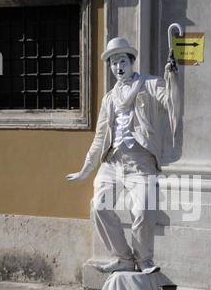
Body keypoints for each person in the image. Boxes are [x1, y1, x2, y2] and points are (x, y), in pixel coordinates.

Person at [66, 37, 180, 274]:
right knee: (98, 206)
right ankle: (123, 257)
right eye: (113, 63)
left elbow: (171, 103)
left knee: (145, 211)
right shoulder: (109, 98)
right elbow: (100, 136)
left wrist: (173, 77)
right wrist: (86, 169)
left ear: (131, 62)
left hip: (141, 163)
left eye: (122, 61)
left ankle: (144, 258)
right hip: (113, 162)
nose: (118, 67)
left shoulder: (150, 84)